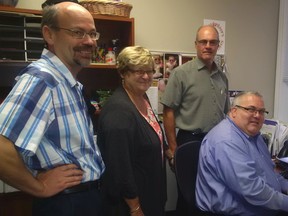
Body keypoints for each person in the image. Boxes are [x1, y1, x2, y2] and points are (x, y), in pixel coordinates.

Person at [0, 2, 105, 215]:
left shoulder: (65, 81)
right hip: (67, 204)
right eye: (77, 32)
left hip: (83, 199)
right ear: (49, 35)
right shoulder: (42, 80)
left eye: (92, 33)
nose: (89, 41)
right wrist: (39, 187)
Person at [160, 25, 230, 215]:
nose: (208, 46)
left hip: (215, 144)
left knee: (213, 192)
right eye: (203, 42)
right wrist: (174, 150)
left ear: (218, 45)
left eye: (213, 42)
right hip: (189, 141)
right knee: (189, 196)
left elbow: (227, 114)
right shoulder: (181, 73)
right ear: (196, 44)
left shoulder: (222, 77)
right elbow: (168, 112)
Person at [97, 46, 167, 216]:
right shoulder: (118, 113)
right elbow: (120, 168)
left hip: (150, 193)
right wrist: (135, 208)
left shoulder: (141, 97)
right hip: (131, 204)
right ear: (123, 72)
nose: (146, 76)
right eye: (138, 71)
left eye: (150, 71)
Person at [196, 91, 288, 216]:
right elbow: (252, 190)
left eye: (261, 112)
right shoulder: (227, 141)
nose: (257, 115)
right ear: (234, 112)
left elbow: (269, 173)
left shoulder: (254, 136)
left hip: (263, 205)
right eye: (251, 109)